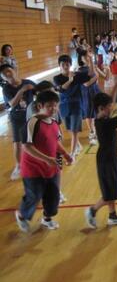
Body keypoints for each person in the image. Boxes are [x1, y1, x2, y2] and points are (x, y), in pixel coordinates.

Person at [14, 90, 73, 233]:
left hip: (51, 168)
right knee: (34, 195)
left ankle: (47, 219)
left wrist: (65, 154)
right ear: (40, 105)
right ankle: (22, 215)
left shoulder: (53, 123)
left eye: (55, 105)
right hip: (33, 169)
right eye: (49, 106)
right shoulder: (32, 123)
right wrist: (47, 159)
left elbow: (55, 142)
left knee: (53, 197)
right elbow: (26, 147)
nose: (53, 109)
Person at [84, 80, 117, 229]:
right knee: (110, 192)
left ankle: (113, 216)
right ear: (101, 108)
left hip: (109, 158)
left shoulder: (101, 117)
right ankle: (92, 210)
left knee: (112, 188)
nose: (112, 108)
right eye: (110, 106)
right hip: (106, 159)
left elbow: (108, 100)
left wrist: (116, 86)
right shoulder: (105, 123)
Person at [0, 64, 35, 180]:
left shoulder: (28, 82)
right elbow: (12, 103)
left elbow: (40, 91)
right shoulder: (6, 89)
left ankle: (34, 162)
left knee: (32, 141)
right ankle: (18, 166)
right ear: (3, 78)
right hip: (16, 118)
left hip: (30, 116)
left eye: (9, 71)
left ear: (14, 70)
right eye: (4, 74)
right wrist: (22, 90)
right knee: (17, 143)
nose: (8, 74)